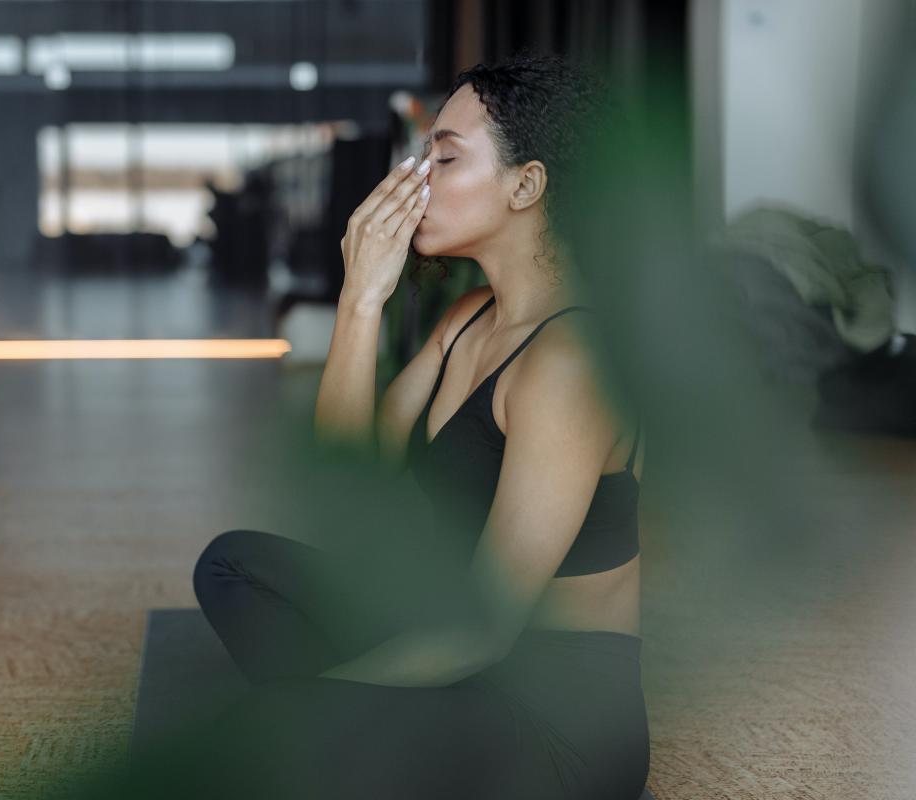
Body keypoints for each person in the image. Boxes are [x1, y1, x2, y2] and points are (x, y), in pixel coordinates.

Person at [185, 50, 649, 800]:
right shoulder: (468, 320)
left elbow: (485, 629)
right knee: (233, 566)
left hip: (554, 726)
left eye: (445, 157)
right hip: (461, 658)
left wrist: (301, 706)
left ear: (527, 185)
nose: (416, 180)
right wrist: (359, 302)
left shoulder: (570, 363)